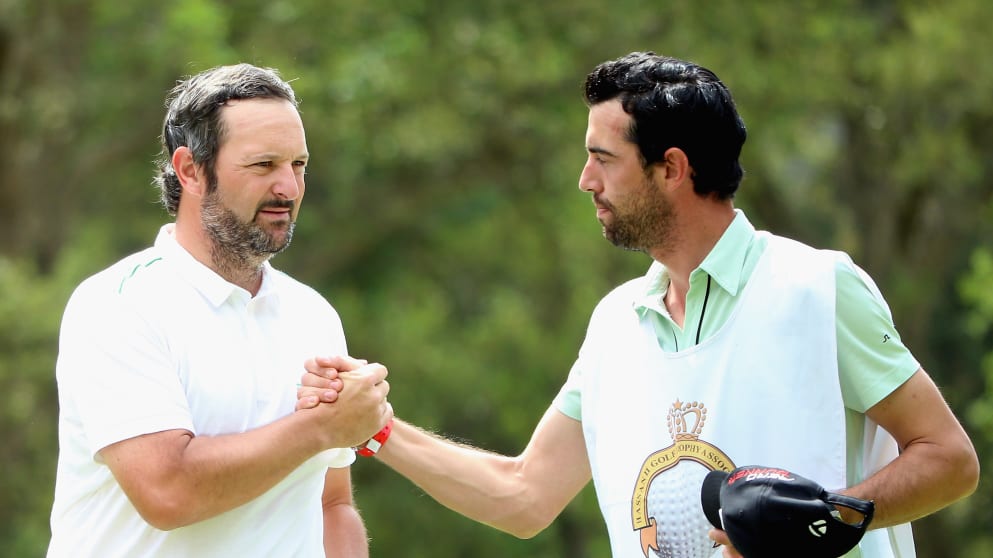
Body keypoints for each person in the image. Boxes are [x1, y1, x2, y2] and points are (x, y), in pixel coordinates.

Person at [298, 52, 979, 557]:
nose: (584, 180)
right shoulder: (614, 323)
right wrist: (374, 427)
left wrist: (826, 518)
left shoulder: (819, 287)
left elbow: (948, 459)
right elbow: (524, 495)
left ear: (671, 169)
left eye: (603, 159)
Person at [48, 63, 393, 558]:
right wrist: (322, 426)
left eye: (298, 165)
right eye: (263, 165)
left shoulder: (313, 315)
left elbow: (330, 504)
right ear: (190, 169)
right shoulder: (117, 306)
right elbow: (169, 491)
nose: (289, 189)